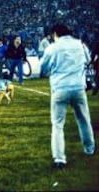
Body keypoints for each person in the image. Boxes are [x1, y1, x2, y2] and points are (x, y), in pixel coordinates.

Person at [40, 24, 96, 169]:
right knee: (84, 119)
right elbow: (88, 59)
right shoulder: (79, 44)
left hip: (60, 88)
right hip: (78, 87)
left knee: (58, 124)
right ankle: (90, 149)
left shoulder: (53, 47)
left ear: (55, 34)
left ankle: (59, 159)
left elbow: (43, 68)